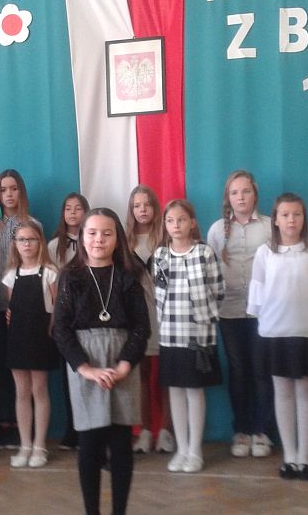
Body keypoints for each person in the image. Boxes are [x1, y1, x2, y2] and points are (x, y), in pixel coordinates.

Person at [53, 207, 149, 515]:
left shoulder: (129, 275)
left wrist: (124, 366)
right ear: (82, 237)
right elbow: (61, 329)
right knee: (90, 444)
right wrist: (86, 369)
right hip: (86, 364)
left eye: (107, 233)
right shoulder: (71, 276)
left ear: (117, 238)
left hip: (122, 361)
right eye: (92, 233)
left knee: (121, 443)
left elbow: (141, 327)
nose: (99, 240)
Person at [248, 193, 308, 480]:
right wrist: (261, 319)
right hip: (275, 332)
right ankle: (289, 457)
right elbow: (257, 291)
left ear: (304, 218)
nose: (291, 220)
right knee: (283, 393)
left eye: (297, 214)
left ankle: (305, 458)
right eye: (285, 215)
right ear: (275, 219)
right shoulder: (264, 253)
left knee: (307, 392)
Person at [206, 170, 274, 458]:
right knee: (238, 370)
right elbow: (210, 271)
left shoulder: (270, 226)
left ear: (255, 194)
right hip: (230, 310)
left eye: (246, 191)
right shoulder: (216, 230)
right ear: (228, 197)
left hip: (264, 311)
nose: (241, 197)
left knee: (261, 370)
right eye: (234, 192)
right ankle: (242, 431)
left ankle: (262, 431)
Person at [154, 199, 224, 473]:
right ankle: (181, 449)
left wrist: (203, 316)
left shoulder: (204, 253)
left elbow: (218, 291)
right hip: (170, 334)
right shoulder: (160, 256)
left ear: (192, 223)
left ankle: (195, 450)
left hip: (197, 334)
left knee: (194, 391)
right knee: (175, 390)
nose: (176, 226)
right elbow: (159, 292)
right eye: (170, 221)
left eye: (181, 220)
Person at [3, 219, 59, 468]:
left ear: (40, 242)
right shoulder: (10, 276)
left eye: (31, 239)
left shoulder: (49, 272)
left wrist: (50, 331)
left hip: (40, 337)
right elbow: (11, 309)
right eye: (21, 240)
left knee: (39, 390)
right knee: (21, 391)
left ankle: (39, 445)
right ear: (15, 244)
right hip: (18, 337)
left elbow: (57, 309)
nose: (26, 244)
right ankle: (25, 444)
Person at [125, 185, 174, 454]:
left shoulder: (166, 237)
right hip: (138, 315)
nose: (142, 209)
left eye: (147, 204)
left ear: (155, 208)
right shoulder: (125, 242)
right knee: (141, 374)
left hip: (167, 313)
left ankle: (166, 430)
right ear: (131, 210)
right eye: (137, 205)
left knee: (167, 373)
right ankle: (144, 430)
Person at [0, 169, 32, 449]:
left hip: (23, 307)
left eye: (14, 188)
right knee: (0, 367)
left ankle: (23, 424)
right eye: (3, 190)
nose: (9, 194)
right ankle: (4, 423)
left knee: (22, 367)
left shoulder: (31, 225)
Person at [48, 192, 89, 450]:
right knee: (69, 374)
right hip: (65, 316)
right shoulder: (54, 246)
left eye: (78, 208)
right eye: (68, 208)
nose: (73, 213)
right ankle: (72, 427)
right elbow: (51, 285)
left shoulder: (93, 239)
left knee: (89, 371)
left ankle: (90, 429)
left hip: (88, 316)